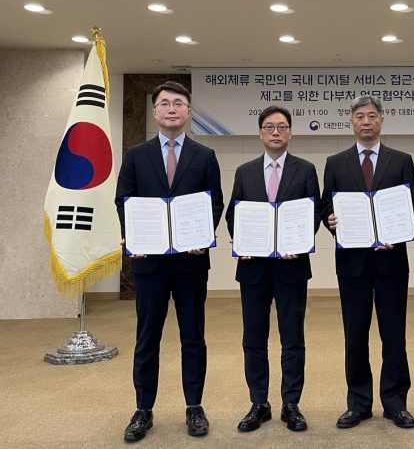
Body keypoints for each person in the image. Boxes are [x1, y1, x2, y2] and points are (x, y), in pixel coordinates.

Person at [115, 81, 224, 442]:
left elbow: (215, 202)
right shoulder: (136, 155)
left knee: (193, 337)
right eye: (165, 103)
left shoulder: (205, 155)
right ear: (155, 112)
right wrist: (133, 236)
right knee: (147, 337)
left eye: (179, 103)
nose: (172, 108)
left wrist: (202, 235)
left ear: (189, 112)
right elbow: (124, 200)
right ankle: (143, 410)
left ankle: (194, 407)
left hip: (191, 263)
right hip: (150, 263)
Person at [321, 95, 414, 429]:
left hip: (392, 262)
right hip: (352, 264)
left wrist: (400, 230)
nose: (366, 121)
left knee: (394, 336)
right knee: (355, 336)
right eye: (360, 116)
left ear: (381, 120)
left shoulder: (401, 160)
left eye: (372, 115)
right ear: (351, 121)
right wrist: (331, 221)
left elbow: (411, 205)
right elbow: (326, 206)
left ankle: (395, 403)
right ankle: (358, 404)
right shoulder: (335, 163)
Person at [226, 106, 321, 433]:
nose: (276, 132)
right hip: (253, 268)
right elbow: (233, 214)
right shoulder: (245, 171)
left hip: (292, 267)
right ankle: (259, 403)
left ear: (290, 132)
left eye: (282, 126)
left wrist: (301, 241)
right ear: (260, 133)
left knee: (292, 338)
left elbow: (313, 213)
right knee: (254, 339)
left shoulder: (305, 170)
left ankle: (291, 403)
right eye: (269, 126)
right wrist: (241, 239)